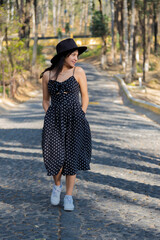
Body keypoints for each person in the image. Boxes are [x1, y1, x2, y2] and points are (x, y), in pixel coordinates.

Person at [40, 38, 92, 211]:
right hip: (54, 120)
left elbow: (85, 96)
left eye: (77, 55)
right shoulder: (47, 75)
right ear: (64, 56)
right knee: (56, 155)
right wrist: (50, 115)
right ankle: (57, 186)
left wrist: (82, 113)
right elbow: (45, 101)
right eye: (73, 55)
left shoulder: (79, 72)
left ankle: (68, 196)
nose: (76, 58)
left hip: (75, 120)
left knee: (72, 158)